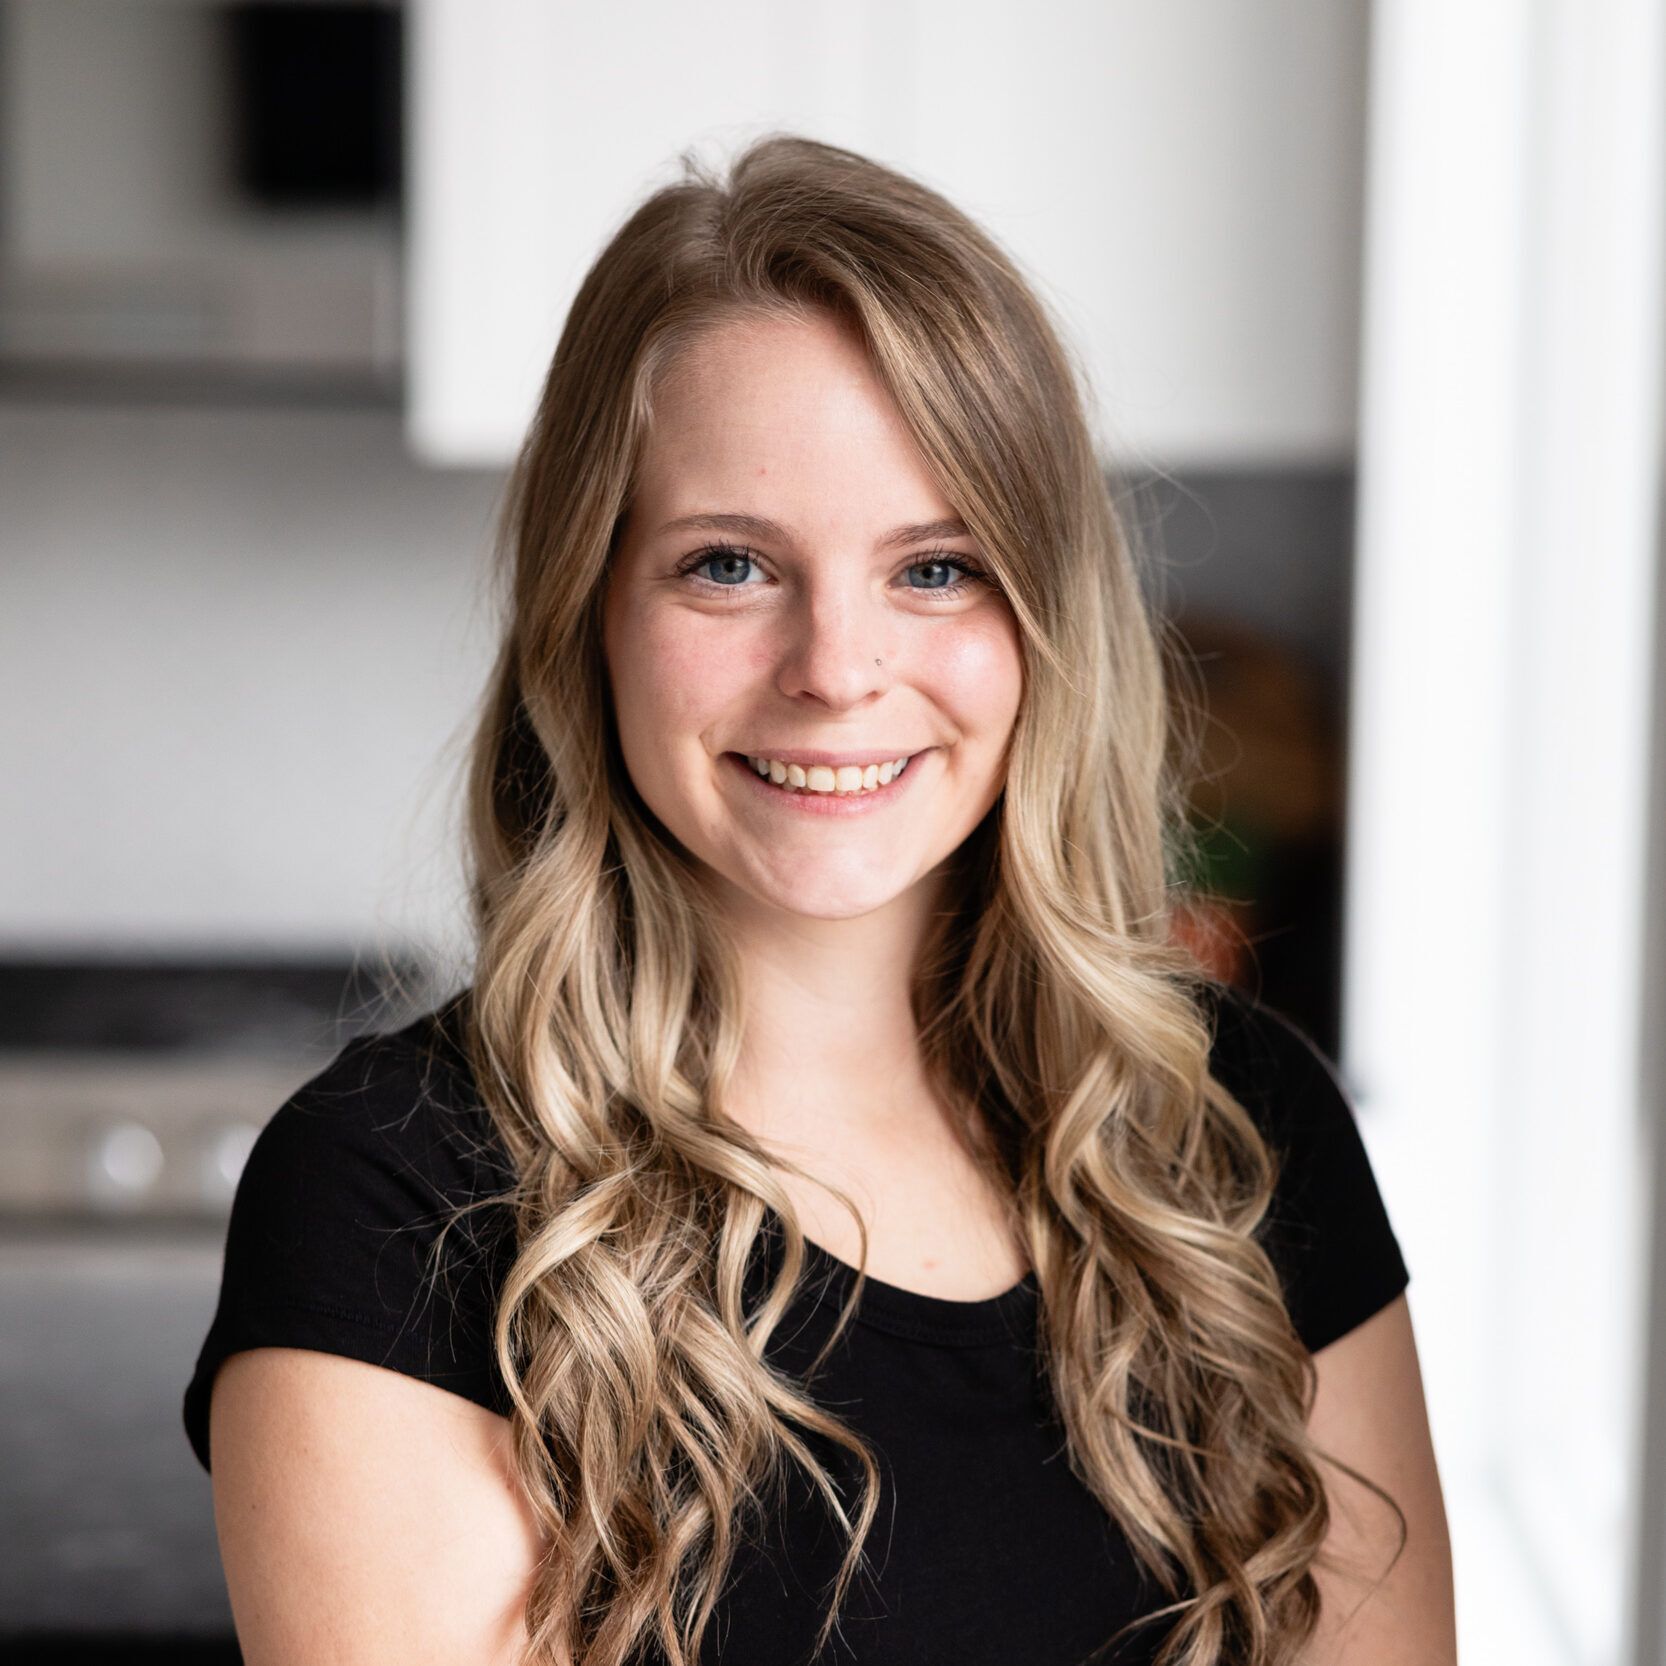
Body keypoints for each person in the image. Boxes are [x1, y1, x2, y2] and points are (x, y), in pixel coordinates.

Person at [183, 134, 1456, 1666]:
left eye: (937, 570)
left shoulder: (1239, 1128)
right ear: (588, 613)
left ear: (1047, 621)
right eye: (727, 565)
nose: (837, 668)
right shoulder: (391, 1199)